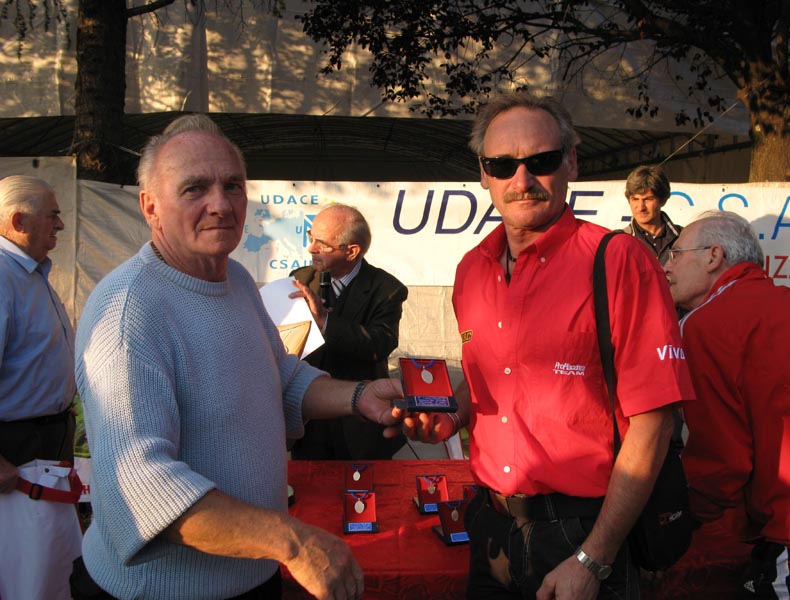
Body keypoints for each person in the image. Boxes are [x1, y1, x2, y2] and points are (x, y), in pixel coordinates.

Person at [73, 114, 403, 600]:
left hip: (251, 575)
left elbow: (280, 376)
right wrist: (293, 543)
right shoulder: (127, 311)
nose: (221, 204)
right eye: (194, 188)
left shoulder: (237, 280)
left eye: (232, 185)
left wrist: (360, 396)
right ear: (150, 207)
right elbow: (141, 487)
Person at [398, 92, 695, 600]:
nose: (521, 180)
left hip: (583, 532)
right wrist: (451, 415)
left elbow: (654, 424)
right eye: (502, 165)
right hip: (492, 526)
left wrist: (594, 557)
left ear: (571, 162)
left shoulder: (618, 260)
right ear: (484, 173)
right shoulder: (472, 269)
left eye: (542, 160)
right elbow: (490, 379)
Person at [664, 210, 790, 599]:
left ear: (714, 256)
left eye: (676, 254)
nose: (666, 267)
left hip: (788, 525)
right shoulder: (787, 304)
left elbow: (719, 459)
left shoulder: (705, 323)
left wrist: (676, 521)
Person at [0, 175, 80, 600]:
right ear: (18, 221)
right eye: (53, 215)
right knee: (25, 577)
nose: (60, 225)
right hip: (16, 453)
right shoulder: (2, 277)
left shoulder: (28, 274)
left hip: (44, 448)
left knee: (48, 569)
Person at [290, 203, 408, 460]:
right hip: (310, 426)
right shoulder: (301, 278)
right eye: (311, 238)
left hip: (362, 426)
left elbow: (379, 344)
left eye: (322, 243)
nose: (311, 248)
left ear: (352, 251)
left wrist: (325, 322)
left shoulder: (387, 289)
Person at [623, 164, 682, 266]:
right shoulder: (620, 240)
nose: (641, 207)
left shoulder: (685, 237)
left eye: (648, 199)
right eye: (635, 199)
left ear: (663, 200)